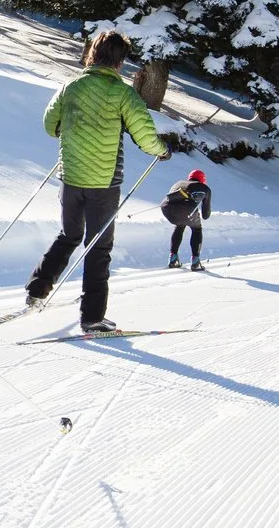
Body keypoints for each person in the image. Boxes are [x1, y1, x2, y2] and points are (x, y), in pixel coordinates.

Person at [21, 30, 189, 332]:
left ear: (92, 54)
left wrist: (73, 131)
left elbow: (50, 125)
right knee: (98, 247)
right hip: (104, 184)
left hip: (71, 178)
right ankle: (93, 317)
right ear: (120, 61)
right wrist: (163, 150)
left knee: (69, 235)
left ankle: (36, 290)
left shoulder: (70, 86)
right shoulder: (123, 94)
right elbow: (145, 136)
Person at [162, 168, 212, 269]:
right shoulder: (204, 188)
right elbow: (205, 215)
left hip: (166, 209)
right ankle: (195, 261)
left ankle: (173, 258)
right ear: (203, 180)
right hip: (186, 211)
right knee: (197, 229)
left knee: (179, 226)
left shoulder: (179, 183)